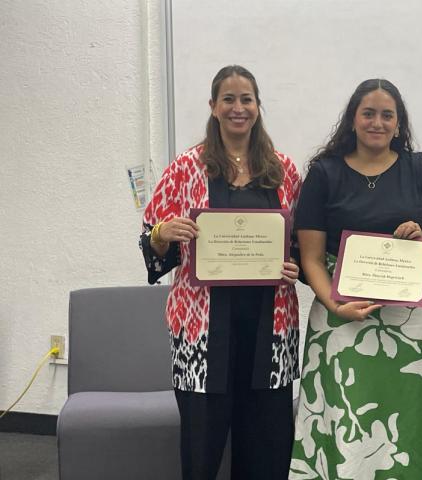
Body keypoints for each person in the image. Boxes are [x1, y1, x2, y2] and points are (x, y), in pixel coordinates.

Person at [289, 79, 422, 479]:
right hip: (342, 319)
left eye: (388, 115)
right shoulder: (324, 173)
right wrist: (334, 304)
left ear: (399, 125)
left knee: (416, 417)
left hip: (415, 324)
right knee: (345, 418)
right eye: (368, 113)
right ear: (353, 119)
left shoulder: (419, 168)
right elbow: (312, 258)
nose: (377, 122)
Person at [140, 65, 302, 480]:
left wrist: (293, 264)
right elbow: (153, 241)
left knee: (267, 443)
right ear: (213, 107)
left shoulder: (284, 169)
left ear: (258, 106)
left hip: (271, 327)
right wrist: (163, 233)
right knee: (202, 444)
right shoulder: (184, 168)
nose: (238, 108)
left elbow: (302, 243)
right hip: (202, 331)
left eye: (246, 99)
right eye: (228, 99)